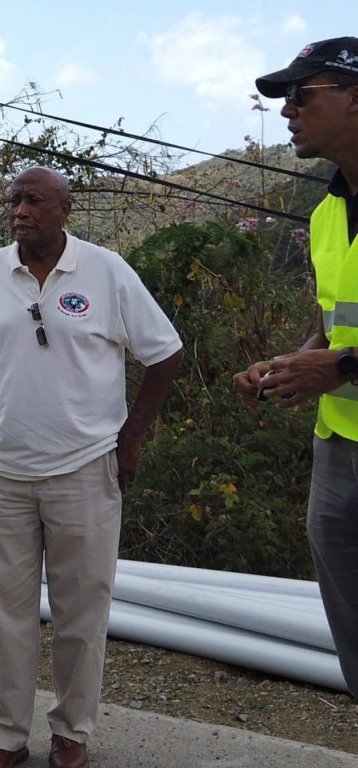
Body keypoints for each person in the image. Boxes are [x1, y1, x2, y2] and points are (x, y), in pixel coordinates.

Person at [0, 167, 182, 768]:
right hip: (1, 469)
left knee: (82, 610)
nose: (19, 211)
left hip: (85, 467)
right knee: (4, 611)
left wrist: (131, 438)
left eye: (33, 200)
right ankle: (4, 735)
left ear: (63, 209)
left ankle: (72, 732)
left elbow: (164, 353)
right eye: (14, 201)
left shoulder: (105, 270)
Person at [233, 37, 358, 697]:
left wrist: (341, 367)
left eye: (301, 95)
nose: (286, 110)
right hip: (337, 448)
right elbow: (331, 326)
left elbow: (344, 354)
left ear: (355, 97)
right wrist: (292, 365)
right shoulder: (326, 213)